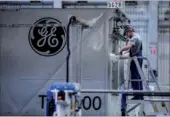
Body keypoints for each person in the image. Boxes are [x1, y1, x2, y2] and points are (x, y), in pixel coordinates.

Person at [119, 26, 143, 100]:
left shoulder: (134, 38)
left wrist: (121, 50)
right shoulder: (137, 37)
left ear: (130, 31)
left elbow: (129, 46)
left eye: (126, 34)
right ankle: (140, 94)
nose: (127, 36)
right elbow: (131, 48)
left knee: (135, 76)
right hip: (138, 57)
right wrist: (125, 52)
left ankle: (137, 95)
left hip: (135, 59)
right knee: (138, 76)